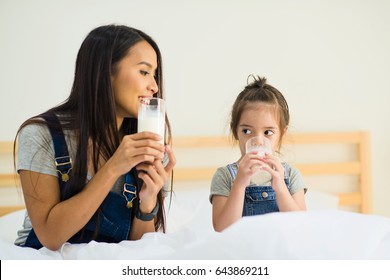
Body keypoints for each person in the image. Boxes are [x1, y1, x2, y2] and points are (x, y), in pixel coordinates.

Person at [13, 24, 176, 250]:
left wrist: (147, 204)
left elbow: (140, 250)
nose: (154, 86)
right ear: (105, 72)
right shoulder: (41, 135)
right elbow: (50, 237)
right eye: (144, 72)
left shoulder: (149, 147)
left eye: (155, 75)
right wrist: (113, 168)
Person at [210, 75, 306, 232]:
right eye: (247, 131)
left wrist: (281, 187)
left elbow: (301, 226)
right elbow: (221, 229)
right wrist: (240, 184)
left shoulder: (291, 175)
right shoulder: (225, 176)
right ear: (235, 131)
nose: (258, 141)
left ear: (282, 133)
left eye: (268, 132)